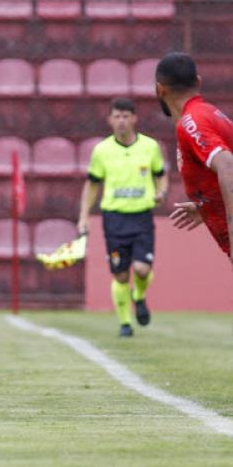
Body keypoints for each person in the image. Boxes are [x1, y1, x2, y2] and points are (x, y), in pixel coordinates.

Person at [77, 98, 168, 337]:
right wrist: (84, 216)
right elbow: (92, 185)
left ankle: (138, 295)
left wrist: (161, 191)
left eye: (126, 116)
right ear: (110, 120)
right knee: (120, 273)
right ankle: (125, 323)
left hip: (141, 216)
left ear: (134, 119)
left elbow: (161, 174)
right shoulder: (102, 150)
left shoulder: (150, 147)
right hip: (114, 218)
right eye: (117, 116)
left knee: (141, 269)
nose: (121, 121)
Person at [157, 52, 233, 266]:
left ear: (159, 89)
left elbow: (228, 165)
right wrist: (209, 206)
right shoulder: (209, 114)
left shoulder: (191, 123)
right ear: (198, 82)